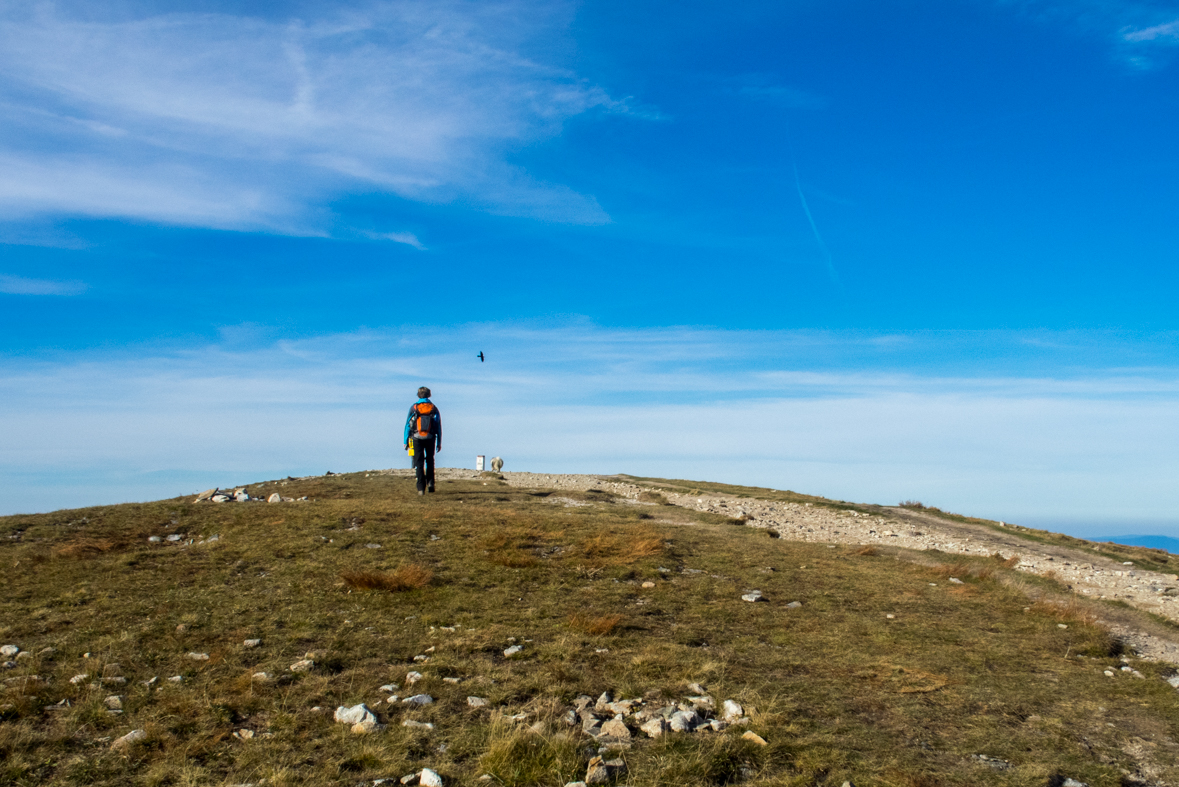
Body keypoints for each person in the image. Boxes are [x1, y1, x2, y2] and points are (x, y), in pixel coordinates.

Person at [404, 387, 442, 495]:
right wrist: (439, 441)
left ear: (418, 395)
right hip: (430, 437)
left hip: (416, 437)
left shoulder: (414, 407)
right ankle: (430, 483)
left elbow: (407, 424)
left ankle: (421, 488)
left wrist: (405, 440)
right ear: (429, 395)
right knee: (430, 460)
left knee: (418, 462)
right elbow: (438, 425)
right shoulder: (433, 408)